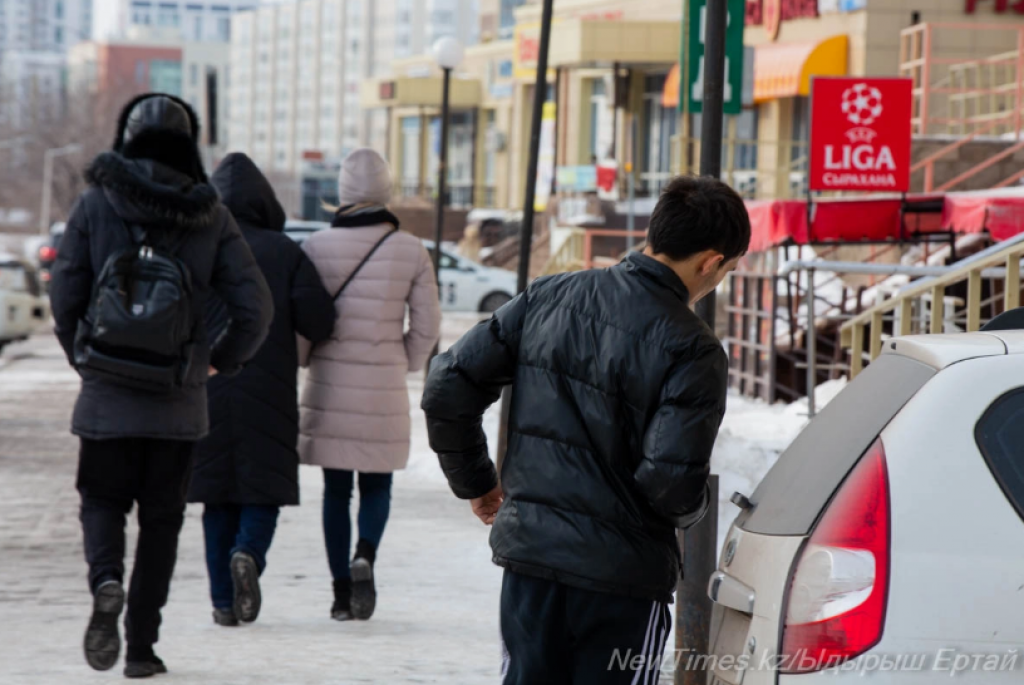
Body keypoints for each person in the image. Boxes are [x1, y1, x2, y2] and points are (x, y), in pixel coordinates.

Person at [422, 176, 751, 684]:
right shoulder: (693, 349)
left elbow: (448, 384)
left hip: (531, 563)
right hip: (622, 580)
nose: (718, 280)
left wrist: (478, 484)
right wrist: (695, 511)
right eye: (726, 270)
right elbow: (671, 484)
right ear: (710, 262)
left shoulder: (549, 296)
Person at [49, 94, 273, 678]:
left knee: (101, 502)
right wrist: (217, 361)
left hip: (106, 396)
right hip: (177, 402)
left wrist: (87, 358)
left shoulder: (96, 203)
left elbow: (64, 293)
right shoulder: (212, 216)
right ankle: (142, 648)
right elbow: (256, 310)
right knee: (161, 522)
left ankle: (105, 581)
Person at [188, 153, 336, 628]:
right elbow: (320, 319)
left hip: (204, 387)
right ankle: (248, 553)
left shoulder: (195, 247)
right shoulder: (284, 250)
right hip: (269, 388)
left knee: (216, 498)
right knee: (262, 492)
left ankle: (223, 603)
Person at [299, 148, 441, 622]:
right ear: (385, 192)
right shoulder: (410, 249)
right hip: (382, 386)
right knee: (377, 486)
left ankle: (341, 593)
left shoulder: (314, 247)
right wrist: (406, 359)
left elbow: (301, 319)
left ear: (340, 194)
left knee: (336, 491)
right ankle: (366, 555)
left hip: (329, 385)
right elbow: (427, 322)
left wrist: (304, 359)